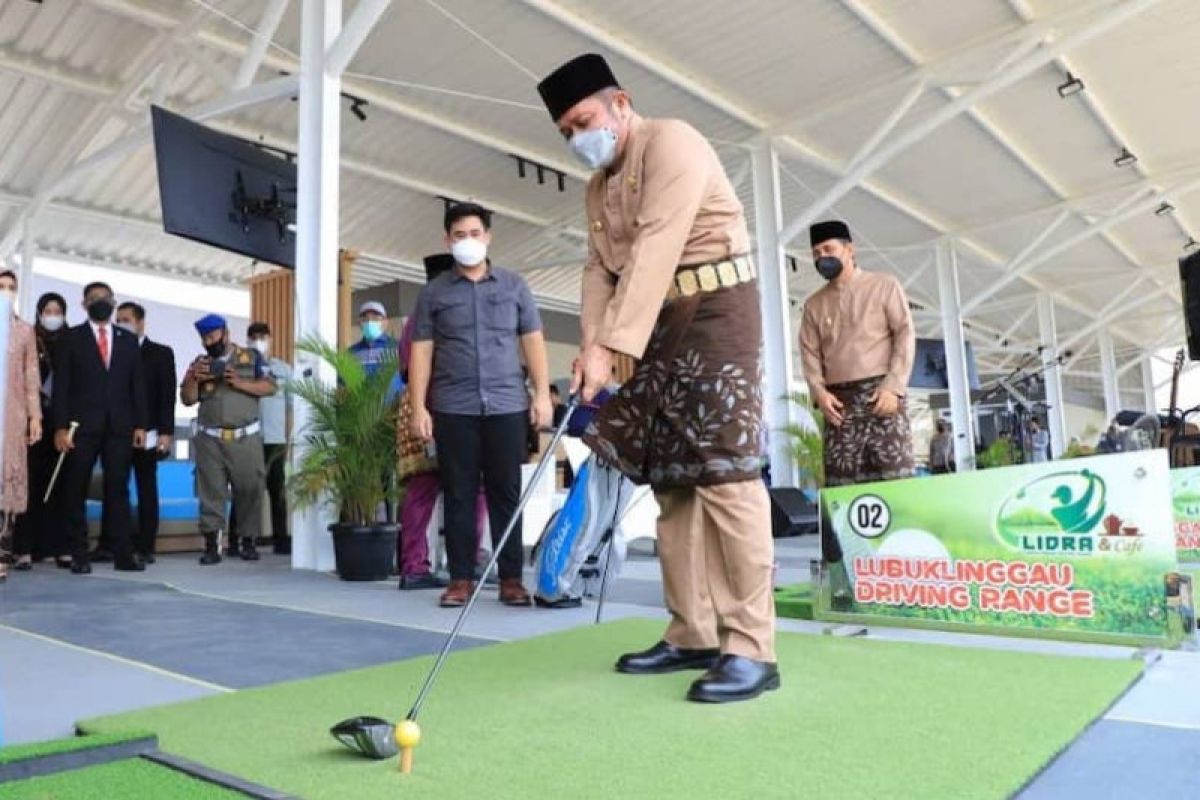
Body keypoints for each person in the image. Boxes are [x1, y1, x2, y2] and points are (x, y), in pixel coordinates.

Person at [537, 54, 776, 703]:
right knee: (671, 482)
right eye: (564, 131)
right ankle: (692, 631)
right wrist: (590, 347)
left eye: (582, 120)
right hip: (655, 324)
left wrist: (613, 346)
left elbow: (656, 247)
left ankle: (752, 647)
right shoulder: (595, 190)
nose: (577, 137)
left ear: (621, 103)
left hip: (718, 309)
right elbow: (598, 271)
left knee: (724, 474)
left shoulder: (673, 142)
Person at [408, 203, 552, 608]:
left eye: (474, 233)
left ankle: (510, 579)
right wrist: (420, 407)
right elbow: (421, 352)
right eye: (459, 235)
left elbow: (533, 342)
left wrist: (541, 394)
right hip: (454, 407)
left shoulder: (514, 286)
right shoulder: (434, 293)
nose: (467, 241)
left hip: (507, 405)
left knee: (507, 492)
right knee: (459, 494)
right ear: (447, 241)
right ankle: (459, 579)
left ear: (487, 237)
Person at [799, 220, 916, 487]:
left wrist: (894, 387)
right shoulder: (813, 305)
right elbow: (809, 354)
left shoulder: (884, 285)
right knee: (843, 489)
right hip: (838, 406)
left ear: (850, 250)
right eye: (816, 254)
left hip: (883, 397)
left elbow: (905, 334)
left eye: (828, 249)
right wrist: (819, 393)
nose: (822, 258)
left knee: (896, 483)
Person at [52, 282, 147, 574]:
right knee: (75, 489)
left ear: (114, 302)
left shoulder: (128, 340)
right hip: (81, 427)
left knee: (117, 489)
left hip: (119, 427)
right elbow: (62, 387)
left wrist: (141, 424)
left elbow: (137, 386)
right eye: (94, 299)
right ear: (84, 305)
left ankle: (122, 554)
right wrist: (59, 428)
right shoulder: (71, 338)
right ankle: (79, 554)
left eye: (105, 298)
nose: (100, 303)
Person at [181, 314, 275, 565]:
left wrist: (240, 382)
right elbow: (187, 399)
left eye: (213, 336)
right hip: (210, 438)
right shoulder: (200, 363)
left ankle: (248, 542)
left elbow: (270, 387)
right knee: (211, 493)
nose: (209, 342)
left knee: (249, 490)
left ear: (226, 334)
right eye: (205, 339)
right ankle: (212, 546)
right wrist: (194, 379)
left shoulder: (251, 358)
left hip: (245, 437)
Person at [114, 302, 176, 564]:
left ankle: (146, 544)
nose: (121, 323)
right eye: (118, 319)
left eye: (126, 319)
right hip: (117, 431)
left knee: (146, 487)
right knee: (116, 488)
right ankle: (115, 543)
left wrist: (165, 431)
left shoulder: (160, 353)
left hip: (150, 432)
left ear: (140, 322)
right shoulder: (112, 352)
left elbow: (167, 395)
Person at [12, 292, 70, 570]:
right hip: (31, 422)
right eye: (47, 310)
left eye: (57, 310)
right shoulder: (26, 337)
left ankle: (59, 547)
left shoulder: (72, 341)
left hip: (63, 424)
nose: (52, 315)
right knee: (30, 485)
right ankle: (24, 548)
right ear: (38, 312)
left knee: (61, 486)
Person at [0, 272, 42, 581]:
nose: (6, 292)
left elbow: (31, 378)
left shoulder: (24, 331)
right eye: (1, 287)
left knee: (7, 483)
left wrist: (35, 416)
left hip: (11, 416)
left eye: (11, 288)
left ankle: (2, 553)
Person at [242, 322, 292, 555]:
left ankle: (281, 539)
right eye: (253, 337)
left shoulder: (283, 370)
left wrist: (288, 438)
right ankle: (241, 540)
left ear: (270, 339)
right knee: (247, 490)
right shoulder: (242, 368)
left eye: (262, 336)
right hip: (249, 437)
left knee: (277, 491)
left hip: (275, 438)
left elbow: (291, 408)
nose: (258, 341)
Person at [349, 301, 397, 377]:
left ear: (385, 322)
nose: (369, 322)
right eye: (365, 319)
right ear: (359, 323)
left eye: (375, 318)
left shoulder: (397, 347)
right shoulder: (352, 352)